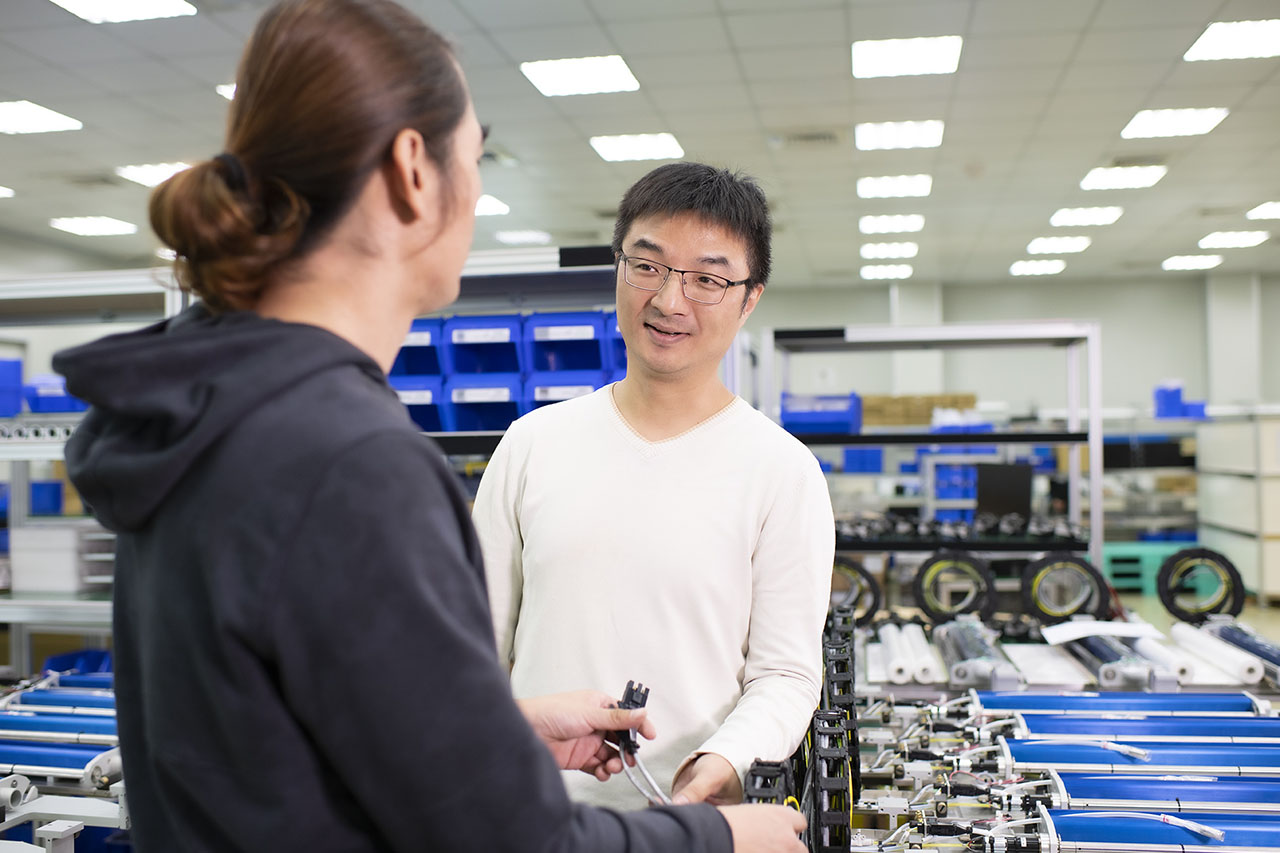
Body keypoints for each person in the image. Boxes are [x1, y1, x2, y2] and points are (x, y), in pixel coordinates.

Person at [51, 1, 806, 850]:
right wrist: (724, 837)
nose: (479, 191)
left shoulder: (205, 407)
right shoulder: (350, 461)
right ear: (415, 170)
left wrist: (497, 732)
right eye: (475, 156)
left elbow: (294, 742)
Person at [473, 162, 836, 810]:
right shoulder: (531, 444)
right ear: (618, 268)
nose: (669, 301)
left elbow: (785, 673)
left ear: (749, 297)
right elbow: (471, 646)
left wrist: (726, 757)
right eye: (648, 266)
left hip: (685, 821)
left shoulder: (782, 470)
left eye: (707, 279)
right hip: (528, 816)